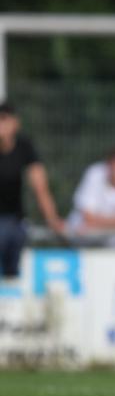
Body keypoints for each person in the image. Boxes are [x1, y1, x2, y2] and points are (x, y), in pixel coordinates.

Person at [0, 102, 66, 280]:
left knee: (12, 237)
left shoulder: (24, 147)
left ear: (15, 123)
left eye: (4, 119)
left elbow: (40, 188)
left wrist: (52, 219)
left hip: (14, 220)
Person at [68, 146, 115, 234]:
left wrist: (98, 222)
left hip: (113, 242)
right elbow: (87, 217)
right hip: (83, 241)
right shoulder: (94, 174)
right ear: (108, 164)